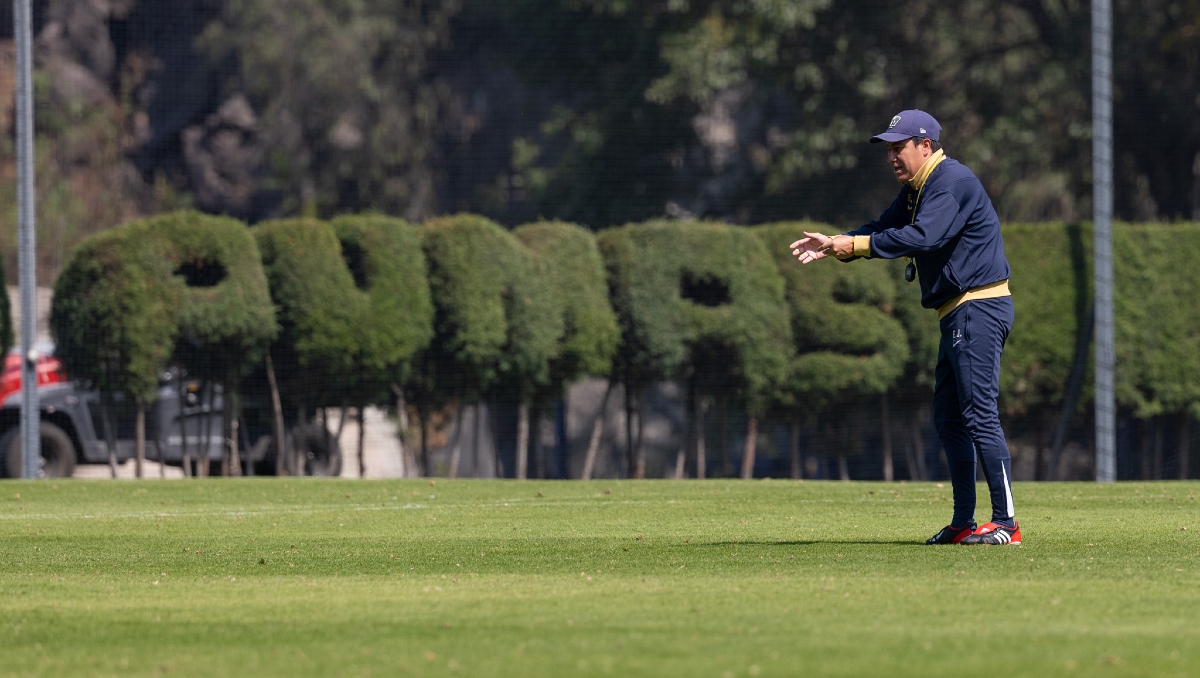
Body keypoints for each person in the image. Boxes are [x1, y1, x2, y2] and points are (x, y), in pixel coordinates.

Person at [789, 109, 1020, 546]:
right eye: (889, 149)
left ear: (926, 146)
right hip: (956, 311)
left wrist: (855, 245)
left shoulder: (951, 182)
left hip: (979, 307)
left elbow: (923, 238)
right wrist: (838, 242)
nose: (892, 156)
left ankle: (1006, 523)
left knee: (978, 415)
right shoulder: (917, 189)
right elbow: (883, 227)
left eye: (899, 147)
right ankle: (963, 523)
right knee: (950, 419)